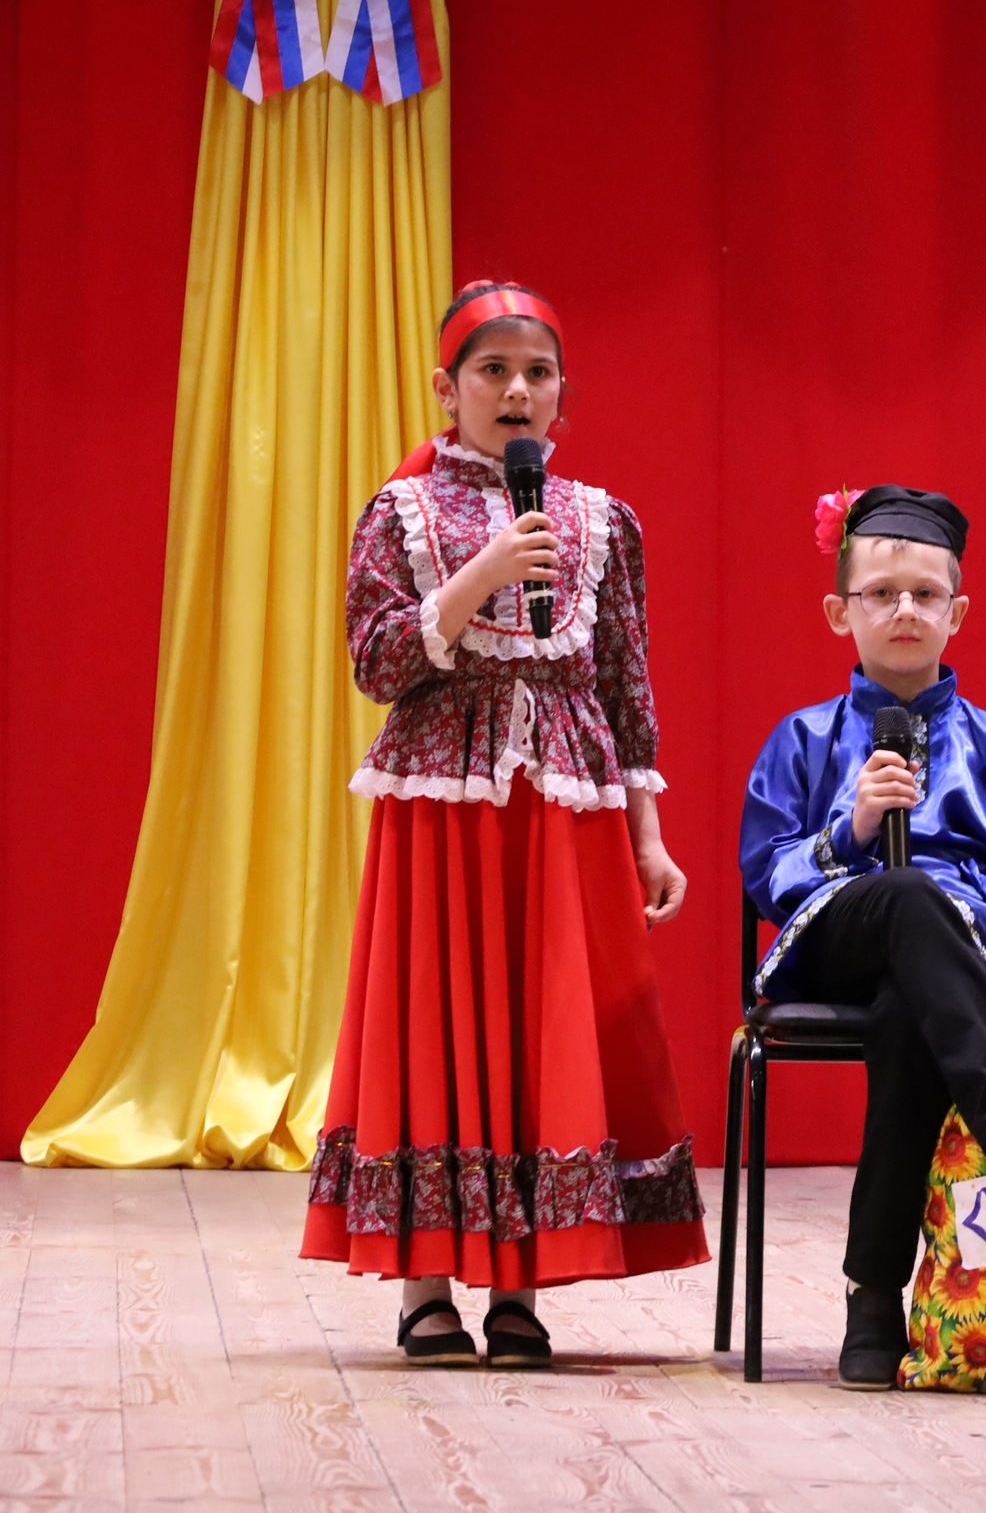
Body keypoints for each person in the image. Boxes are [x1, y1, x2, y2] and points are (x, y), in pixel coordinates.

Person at [302, 280, 705, 1367]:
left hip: (564, 802)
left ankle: (523, 1287)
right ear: (448, 389)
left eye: (536, 373)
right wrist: (481, 572)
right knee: (438, 1022)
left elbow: (625, 689)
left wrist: (648, 835)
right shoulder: (400, 513)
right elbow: (377, 661)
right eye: (494, 371)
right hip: (445, 804)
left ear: (563, 391)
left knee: (542, 1025)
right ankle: (425, 1286)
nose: (516, 390)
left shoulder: (602, 518)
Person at [740, 483, 986, 1390]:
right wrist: (849, 828)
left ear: (956, 613)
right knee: (903, 892)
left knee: (909, 1009)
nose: (904, 610)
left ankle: (872, 1298)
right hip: (835, 936)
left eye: (926, 594)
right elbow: (765, 873)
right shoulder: (801, 738)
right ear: (839, 611)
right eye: (882, 592)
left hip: (951, 967)